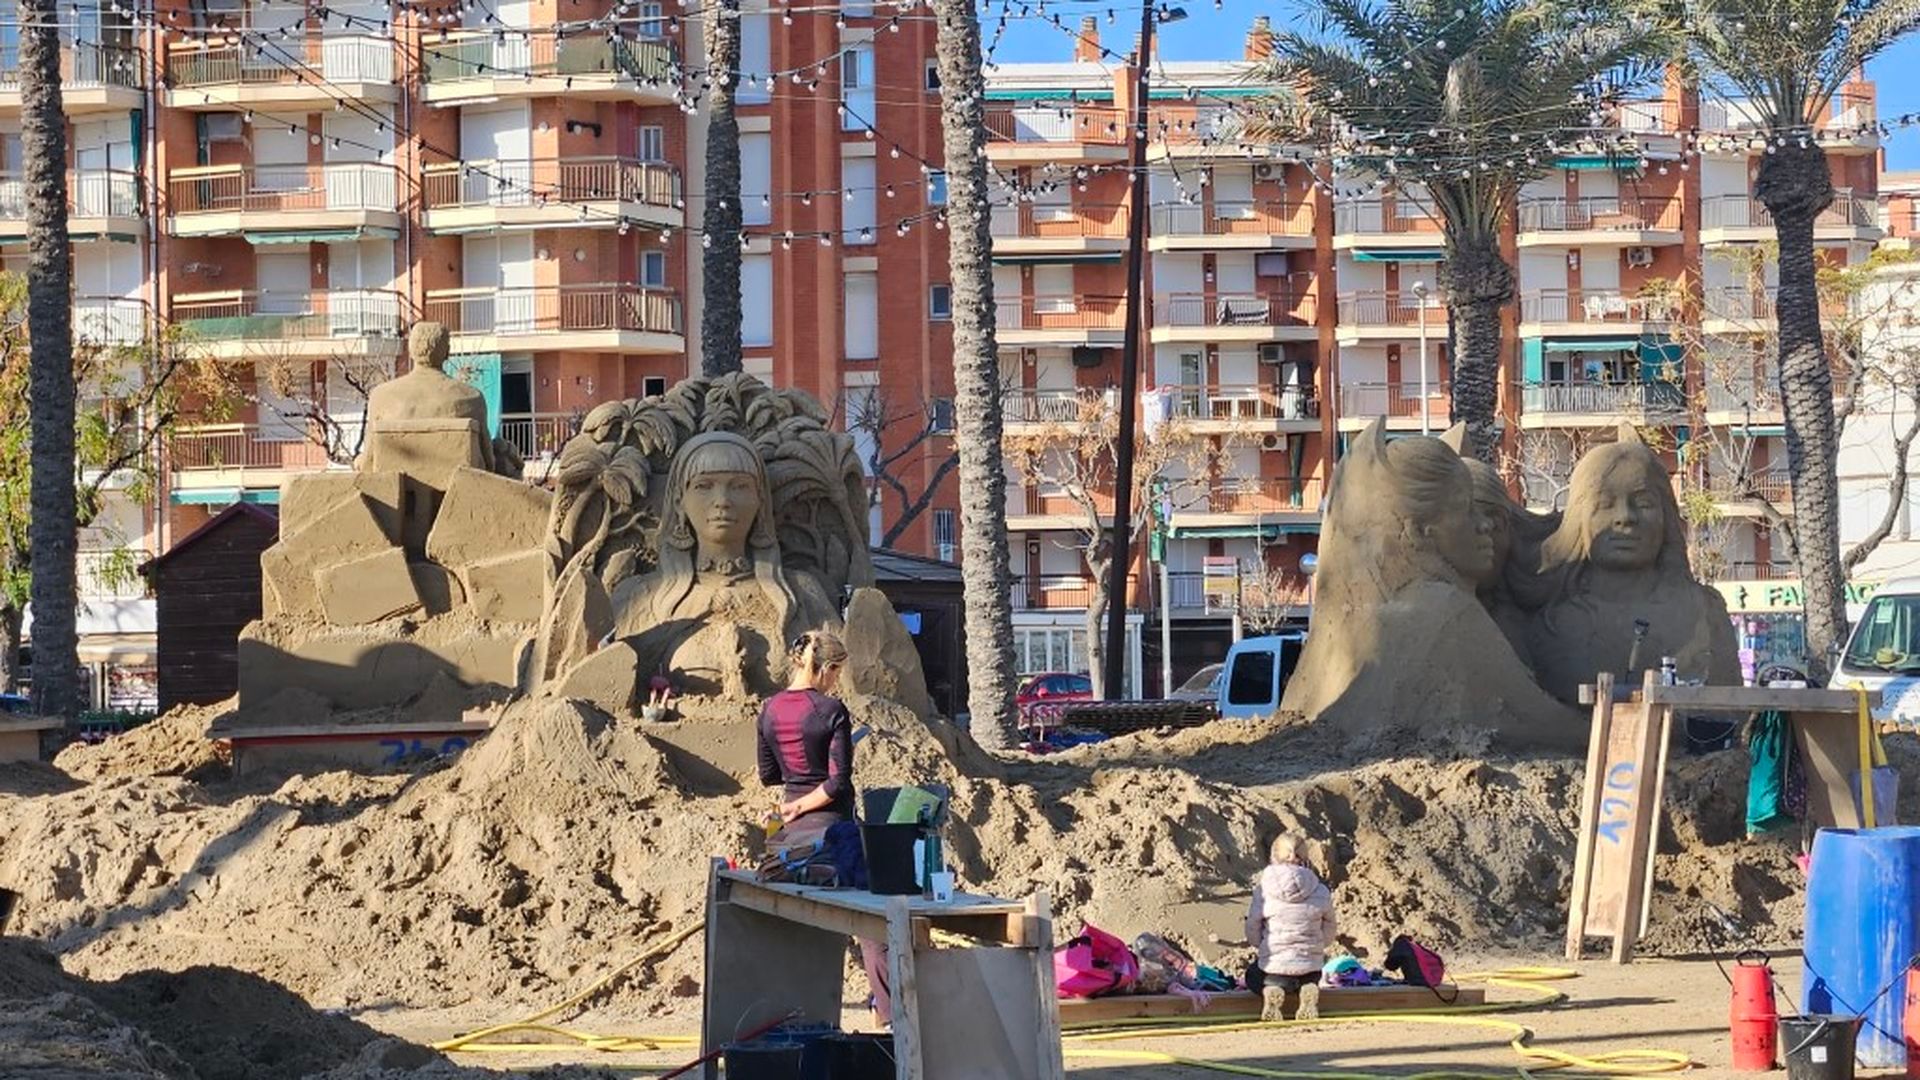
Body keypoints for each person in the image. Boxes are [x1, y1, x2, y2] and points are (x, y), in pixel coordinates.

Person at [612, 431, 841, 697]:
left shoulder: (801, 593)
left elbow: (845, 682)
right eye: (704, 485)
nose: (722, 501)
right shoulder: (638, 599)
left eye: (739, 486)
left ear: (760, 500)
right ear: (679, 501)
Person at [755, 629, 892, 1026]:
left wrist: (792, 801)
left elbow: (768, 774)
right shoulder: (831, 710)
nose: (836, 681)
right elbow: (837, 784)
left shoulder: (769, 709)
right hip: (831, 831)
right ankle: (890, 1013)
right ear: (826, 668)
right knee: (877, 920)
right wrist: (804, 801)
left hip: (783, 837)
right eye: (836, 672)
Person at [1244, 833, 1337, 1022]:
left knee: (1252, 977)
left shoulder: (1263, 891)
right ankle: (1307, 988)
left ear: (1273, 856)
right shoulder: (1320, 890)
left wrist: (1260, 944)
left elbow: (1253, 925)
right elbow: (1330, 925)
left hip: (1273, 969)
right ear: (1305, 858)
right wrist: (1321, 944)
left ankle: (1273, 989)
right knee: (1310, 976)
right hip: (1310, 968)